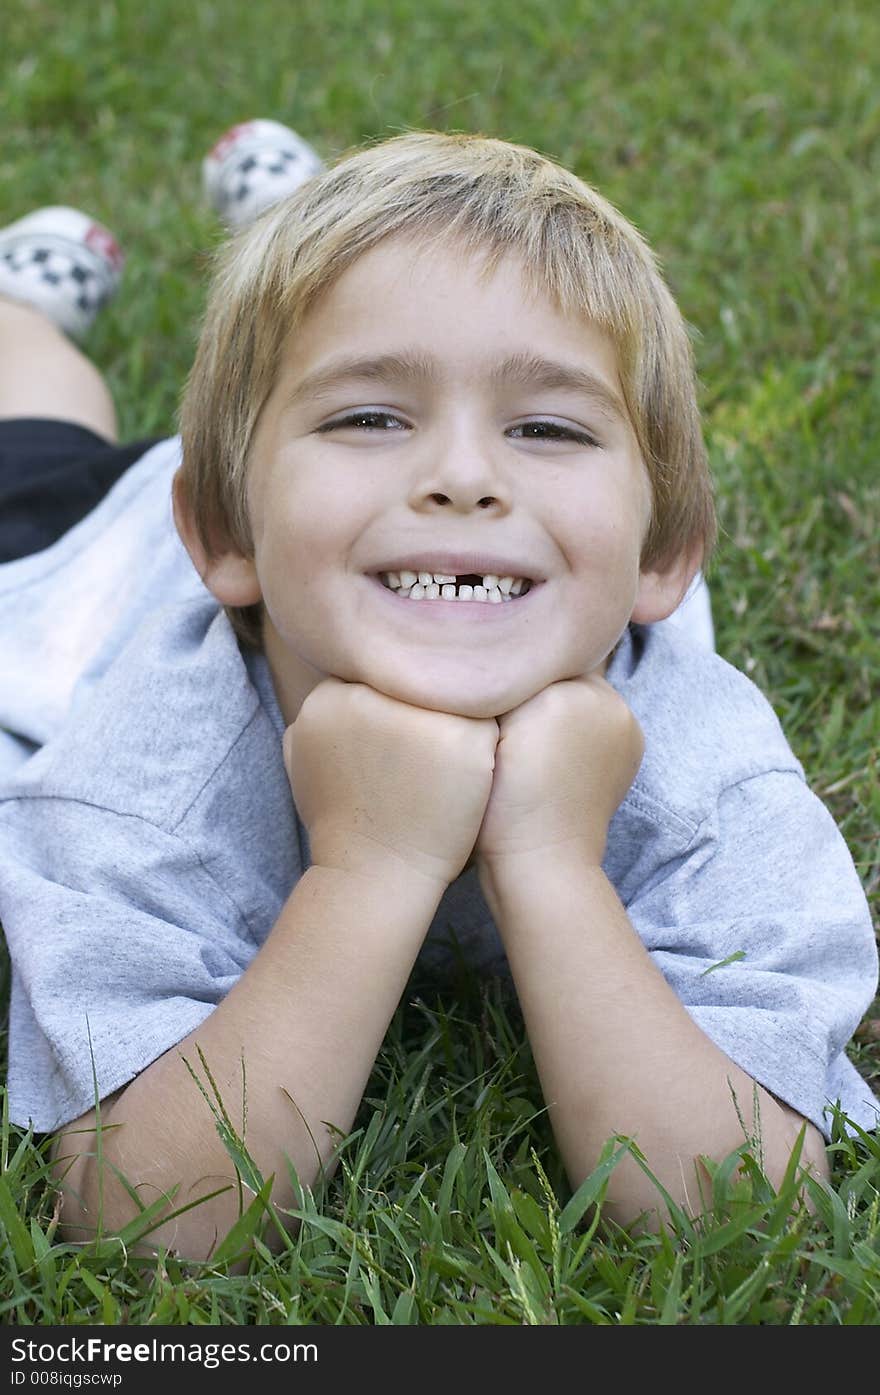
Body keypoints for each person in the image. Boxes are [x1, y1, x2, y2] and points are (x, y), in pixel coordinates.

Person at [0, 123, 876, 1263]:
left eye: (546, 427)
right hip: (85, 554)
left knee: (363, 308)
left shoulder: (705, 760)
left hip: (373, 556)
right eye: (370, 415)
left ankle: (304, 237)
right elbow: (148, 1218)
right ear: (223, 533)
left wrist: (556, 864)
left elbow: (742, 1209)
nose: (463, 477)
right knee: (34, 429)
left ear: (662, 559)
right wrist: (371, 868)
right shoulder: (138, 773)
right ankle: (29, 301)